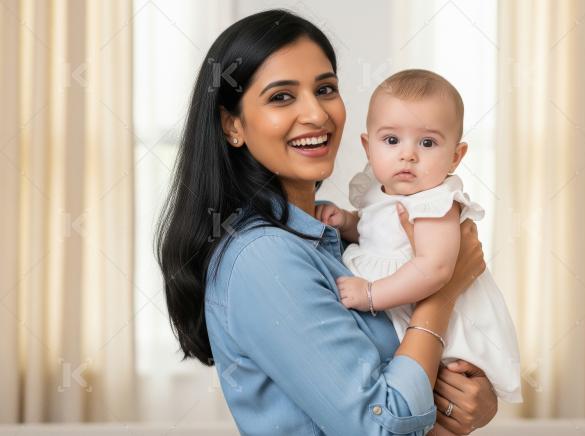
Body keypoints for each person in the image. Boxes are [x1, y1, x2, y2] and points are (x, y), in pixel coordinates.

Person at [157, 9, 498, 435]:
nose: (316, 114)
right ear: (233, 126)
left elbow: (402, 394)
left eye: (325, 89)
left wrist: (465, 406)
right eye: (281, 96)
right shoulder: (264, 258)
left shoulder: (333, 236)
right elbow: (380, 429)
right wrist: (442, 291)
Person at [317, 69, 522, 404]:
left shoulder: (435, 202)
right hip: (402, 301)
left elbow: (435, 268)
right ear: (369, 147)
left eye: (427, 143)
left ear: (455, 156)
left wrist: (372, 294)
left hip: (429, 309)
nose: (408, 154)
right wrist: (349, 223)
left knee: (435, 398)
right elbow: (378, 234)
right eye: (391, 140)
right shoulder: (376, 189)